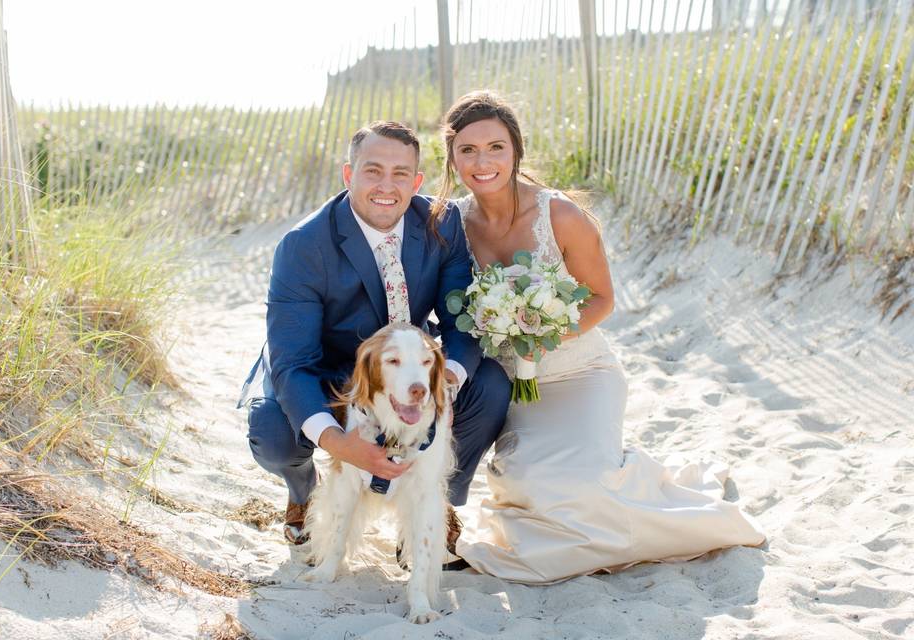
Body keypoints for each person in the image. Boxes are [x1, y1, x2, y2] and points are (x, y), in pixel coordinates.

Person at [431, 91, 765, 584]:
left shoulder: (560, 215)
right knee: (531, 482)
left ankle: (658, 495)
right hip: (509, 384)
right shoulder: (450, 223)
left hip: (579, 372)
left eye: (496, 147)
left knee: (585, 485)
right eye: (468, 150)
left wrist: (542, 333)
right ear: (453, 157)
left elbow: (602, 299)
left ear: (516, 150)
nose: (483, 162)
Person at [238, 121, 511, 556]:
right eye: (373, 171)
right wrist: (340, 443)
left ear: (416, 181)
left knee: (491, 385)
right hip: (328, 372)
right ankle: (304, 491)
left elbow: (462, 320)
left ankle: (434, 499)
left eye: (401, 173)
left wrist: (447, 383)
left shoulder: (443, 222)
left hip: (407, 369)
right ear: (349, 175)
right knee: (273, 430)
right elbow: (292, 363)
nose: (387, 185)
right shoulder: (303, 245)